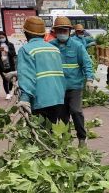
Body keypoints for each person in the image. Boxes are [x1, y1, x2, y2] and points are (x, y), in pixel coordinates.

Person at [50, 17, 94, 147]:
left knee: (75, 111)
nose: (62, 33)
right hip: (59, 88)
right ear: (55, 31)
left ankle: (82, 138)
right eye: (59, 30)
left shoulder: (77, 46)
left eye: (64, 30)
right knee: (62, 116)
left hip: (75, 86)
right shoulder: (51, 47)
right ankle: (66, 140)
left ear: (69, 31)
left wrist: (89, 79)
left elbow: (86, 63)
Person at [17, 16, 66, 124]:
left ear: (26, 33)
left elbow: (27, 76)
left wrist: (24, 98)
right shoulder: (54, 49)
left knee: (41, 133)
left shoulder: (26, 50)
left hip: (40, 100)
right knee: (53, 132)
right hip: (58, 98)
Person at [0, 31, 17, 100]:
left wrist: (7, 51)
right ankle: (7, 93)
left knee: (10, 78)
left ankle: (10, 90)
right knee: (5, 78)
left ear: (5, 37)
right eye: (0, 37)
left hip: (10, 64)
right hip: (1, 65)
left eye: (2, 37)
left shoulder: (10, 44)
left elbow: (13, 53)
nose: (1, 38)